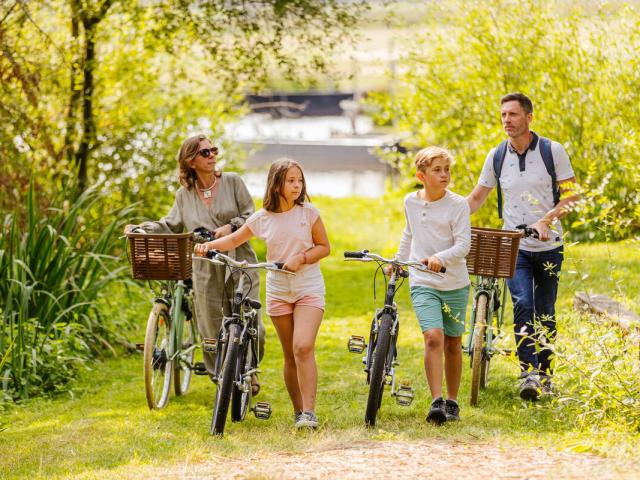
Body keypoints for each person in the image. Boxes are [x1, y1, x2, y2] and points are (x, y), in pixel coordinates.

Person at [195, 158, 330, 429]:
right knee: (290, 354)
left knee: (303, 347)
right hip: (279, 291)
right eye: (291, 180)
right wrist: (207, 246)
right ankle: (299, 412)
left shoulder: (309, 213)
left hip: (307, 288)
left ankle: (310, 411)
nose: (297, 185)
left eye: (299, 180)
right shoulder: (263, 218)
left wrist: (302, 257)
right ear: (276, 183)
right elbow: (234, 239)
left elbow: (324, 247)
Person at [125, 134, 264, 392]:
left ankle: (249, 370)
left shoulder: (232, 182)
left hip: (238, 261)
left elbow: (251, 215)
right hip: (205, 267)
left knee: (249, 318)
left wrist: (230, 227)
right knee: (210, 325)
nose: (212, 156)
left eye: (213, 150)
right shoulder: (184, 195)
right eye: (205, 153)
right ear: (190, 161)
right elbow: (170, 224)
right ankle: (222, 379)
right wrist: (141, 228)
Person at [467, 93, 579, 400]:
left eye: (513, 114)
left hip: (549, 246)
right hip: (513, 246)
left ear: (529, 117)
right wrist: (448, 218)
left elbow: (571, 196)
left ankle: (547, 374)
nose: (506, 120)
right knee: (523, 304)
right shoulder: (497, 155)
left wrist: (546, 220)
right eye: (503, 114)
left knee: (545, 311)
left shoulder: (551, 151)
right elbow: (477, 197)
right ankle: (528, 373)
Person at [391, 146, 471, 425]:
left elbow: (463, 245)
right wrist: (398, 261)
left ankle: (452, 401)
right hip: (423, 280)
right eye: (437, 170)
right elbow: (409, 234)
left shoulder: (458, 205)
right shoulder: (410, 202)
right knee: (433, 337)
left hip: (455, 282)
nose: (444, 175)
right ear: (421, 175)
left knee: (452, 342)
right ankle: (436, 400)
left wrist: (440, 257)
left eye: (447, 169)